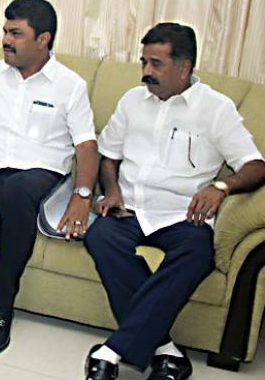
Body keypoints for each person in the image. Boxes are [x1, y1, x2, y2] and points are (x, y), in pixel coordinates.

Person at [83, 23, 265, 380]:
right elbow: (109, 156)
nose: (146, 72)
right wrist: (113, 190)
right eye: (143, 62)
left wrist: (222, 187)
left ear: (184, 67)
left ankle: (113, 350)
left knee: (197, 254)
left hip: (184, 216)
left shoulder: (216, 108)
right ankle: (165, 349)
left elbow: (256, 166)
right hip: (131, 207)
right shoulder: (132, 101)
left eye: (156, 64)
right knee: (99, 237)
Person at [0, 0, 99, 356]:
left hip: (38, 176)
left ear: (43, 39)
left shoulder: (69, 85)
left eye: (16, 33)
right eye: (5, 31)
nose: (6, 40)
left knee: (19, 189)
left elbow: (87, 146)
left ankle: (0, 306)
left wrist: (83, 194)